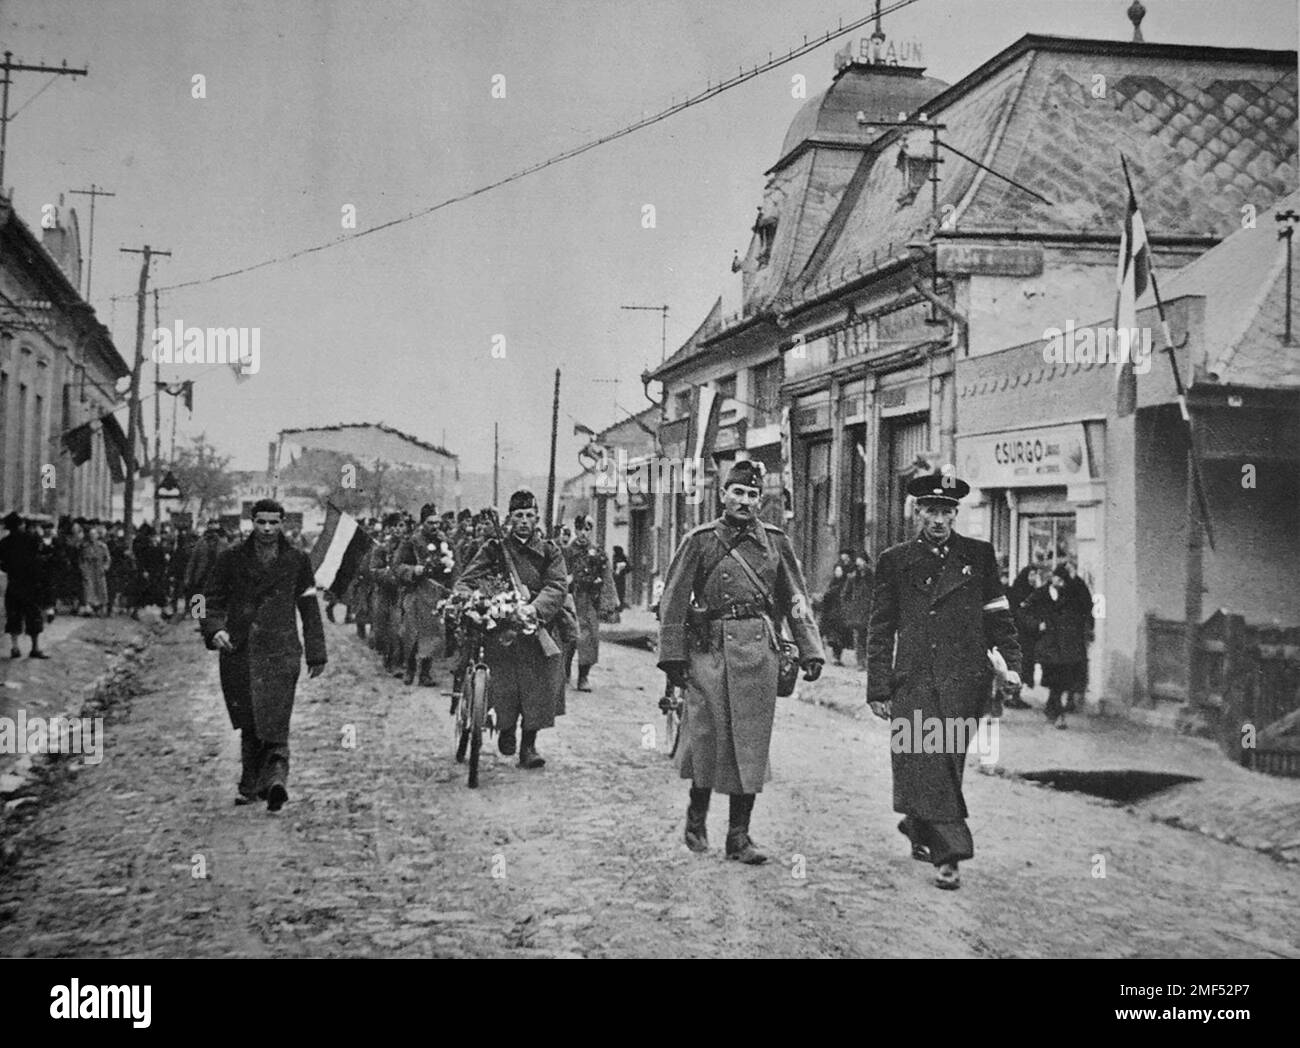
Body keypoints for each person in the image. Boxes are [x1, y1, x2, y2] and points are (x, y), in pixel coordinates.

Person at [657, 459, 824, 865]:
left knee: (750, 743)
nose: (745, 501)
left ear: (760, 500)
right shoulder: (700, 541)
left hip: (758, 653)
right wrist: (674, 658)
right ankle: (697, 819)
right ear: (723, 495)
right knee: (706, 736)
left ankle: (739, 836)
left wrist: (811, 648)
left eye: (752, 495)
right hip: (711, 651)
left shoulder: (776, 542)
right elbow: (673, 601)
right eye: (738, 493)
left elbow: (795, 597)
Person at [866, 472, 1021, 890]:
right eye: (931, 511)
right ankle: (950, 854)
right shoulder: (895, 560)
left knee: (945, 762)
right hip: (913, 678)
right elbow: (881, 628)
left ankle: (918, 823)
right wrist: (878, 687)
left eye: (947, 511)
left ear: (956, 513)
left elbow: (999, 618)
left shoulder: (979, 555)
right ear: (919, 512)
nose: (939, 519)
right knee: (927, 760)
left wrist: (1012, 666)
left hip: (964, 680)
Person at [201, 499, 326, 811]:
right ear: (251, 523)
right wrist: (214, 628)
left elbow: (309, 608)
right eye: (261, 522)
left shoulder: (297, 560)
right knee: (249, 719)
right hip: (239, 650)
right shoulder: (231, 559)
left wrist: (316, 652)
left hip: (281, 650)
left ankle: (275, 779)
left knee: (276, 716)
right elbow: (205, 599)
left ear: (282, 523)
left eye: (274, 522)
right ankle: (251, 781)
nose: (268, 529)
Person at [457, 490, 567, 769]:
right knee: (504, 685)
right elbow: (468, 579)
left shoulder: (550, 551)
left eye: (529, 516)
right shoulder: (494, 548)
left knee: (538, 686)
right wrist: (471, 599)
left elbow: (556, 585)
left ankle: (529, 744)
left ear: (537, 518)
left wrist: (535, 608)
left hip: (535, 626)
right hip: (501, 629)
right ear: (509, 518)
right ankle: (506, 729)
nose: (524, 521)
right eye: (518, 515)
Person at [1022, 564, 1093, 728]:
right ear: (1052, 577)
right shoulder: (1040, 594)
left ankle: (1057, 713)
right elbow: (1024, 612)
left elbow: (1086, 603)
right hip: (1048, 644)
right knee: (1053, 677)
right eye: (1057, 578)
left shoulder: (1071, 594)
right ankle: (1052, 708)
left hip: (1066, 645)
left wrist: (1076, 578)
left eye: (1062, 579)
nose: (1059, 582)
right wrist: (1036, 625)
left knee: (1061, 680)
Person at [394, 503, 456, 686]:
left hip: (436, 594)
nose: (435, 527)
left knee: (433, 634)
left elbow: (454, 567)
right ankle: (410, 668)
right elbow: (397, 566)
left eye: (437, 523)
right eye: (430, 523)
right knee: (411, 633)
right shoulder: (411, 542)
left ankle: (426, 673)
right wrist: (415, 570)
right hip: (415, 592)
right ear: (423, 523)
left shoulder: (445, 542)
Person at [563, 513, 608, 692]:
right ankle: (564, 671)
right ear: (575, 529)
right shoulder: (566, 551)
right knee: (568, 637)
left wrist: (606, 601)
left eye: (587, 529)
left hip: (589, 600)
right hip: (570, 599)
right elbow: (558, 573)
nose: (583, 533)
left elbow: (606, 576)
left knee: (589, 638)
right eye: (580, 529)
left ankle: (583, 676)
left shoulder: (597, 552)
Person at [0, 512, 50, 658]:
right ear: (21, 524)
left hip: (14, 583)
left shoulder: (4, 542)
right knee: (34, 615)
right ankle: (35, 648)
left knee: (14, 615)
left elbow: (2, 564)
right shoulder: (32, 538)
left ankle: (15, 648)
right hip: (31, 584)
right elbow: (42, 557)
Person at [841, 551, 874, 669]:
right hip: (858, 612)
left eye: (862, 563)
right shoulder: (853, 578)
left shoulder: (872, 577)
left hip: (870, 610)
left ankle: (868, 660)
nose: (860, 566)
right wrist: (849, 608)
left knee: (870, 637)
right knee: (860, 637)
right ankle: (861, 661)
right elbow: (845, 595)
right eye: (858, 564)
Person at [818, 563, 849, 665]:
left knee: (840, 638)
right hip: (831, 614)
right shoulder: (832, 584)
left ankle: (837, 657)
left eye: (840, 571)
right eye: (836, 571)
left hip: (841, 614)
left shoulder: (846, 583)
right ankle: (834, 657)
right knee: (833, 637)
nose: (838, 573)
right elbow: (826, 598)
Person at [79, 525, 111, 616]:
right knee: (89, 588)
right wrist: (83, 569)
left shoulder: (103, 546)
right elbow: (81, 559)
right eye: (90, 535)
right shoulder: (84, 546)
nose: (92, 536)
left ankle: (100, 607)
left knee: (100, 589)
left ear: (97, 535)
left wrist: (105, 567)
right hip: (88, 569)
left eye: (94, 534)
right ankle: (89, 607)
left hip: (99, 569)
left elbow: (107, 559)